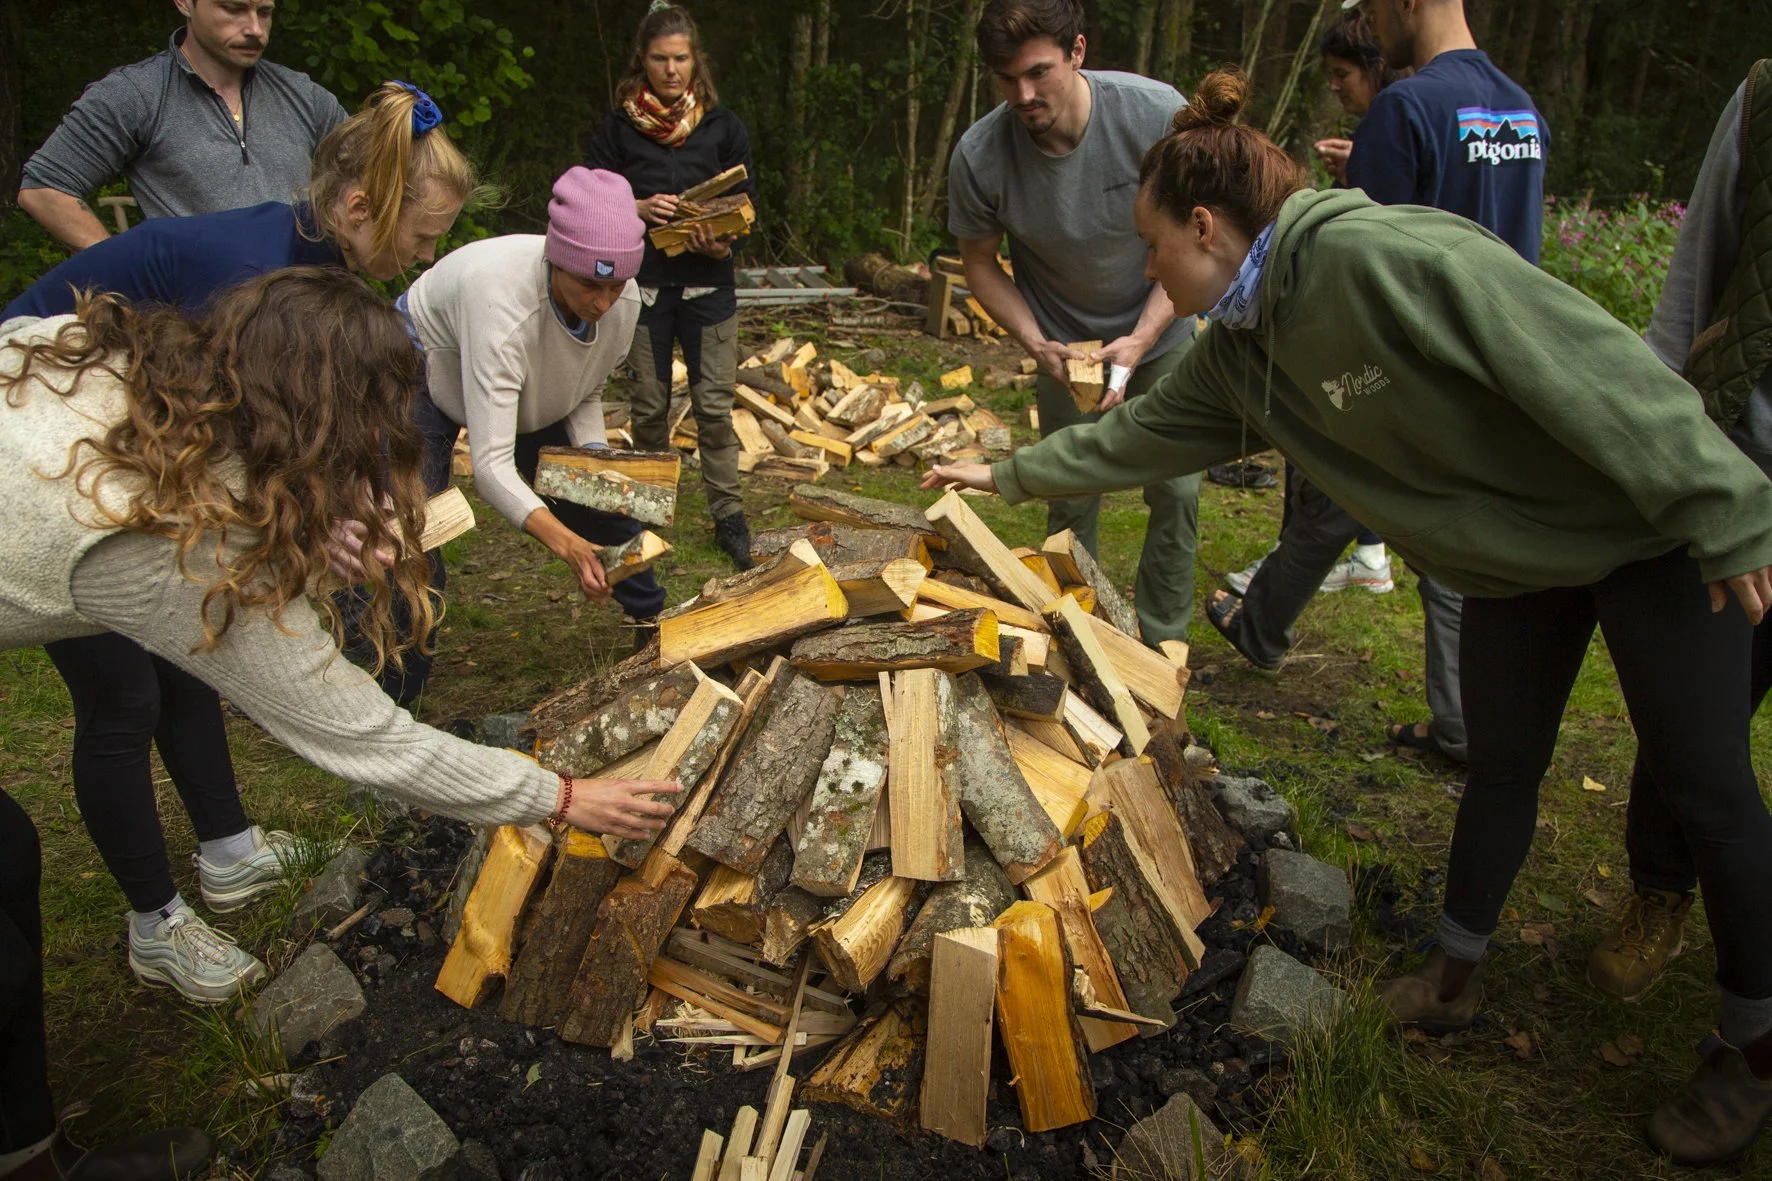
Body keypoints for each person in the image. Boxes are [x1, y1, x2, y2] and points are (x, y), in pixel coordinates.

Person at [925, 67, 1772, 1167]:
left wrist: (1721, 503)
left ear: (1204, 227)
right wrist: (1005, 474)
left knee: (1704, 783)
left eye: (1152, 247)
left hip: (1643, 525)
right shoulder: (1240, 352)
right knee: (1500, 761)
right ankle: (1455, 970)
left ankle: (1753, 1045)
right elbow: (1136, 437)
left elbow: (1592, 363)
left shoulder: (1382, 259)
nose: (1146, 271)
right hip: (1516, 561)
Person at [0, 271, 678, 1177]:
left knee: (9, 855)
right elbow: (366, 738)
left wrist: (310, 533)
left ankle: (25, 1149)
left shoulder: (142, 368)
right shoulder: (168, 538)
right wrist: (558, 796)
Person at [2, 82, 482, 1006]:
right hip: (45, 460)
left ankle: (226, 849)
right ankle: (155, 923)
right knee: (123, 695)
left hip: (130, 451)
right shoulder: (250, 273)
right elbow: (238, 445)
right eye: (424, 236)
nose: (429, 254)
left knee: (193, 640)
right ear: (359, 207)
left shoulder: (316, 259)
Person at [1209, 0, 1547, 764]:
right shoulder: (1522, 111)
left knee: (1331, 479)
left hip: (1406, 369)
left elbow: (1357, 266)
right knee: (1446, 534)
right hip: (1498, 364)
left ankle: (1274, 629)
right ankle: (1457, 719)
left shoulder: (1405, 108)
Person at [1580, 61, 1772, 1046]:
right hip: (1735, 465)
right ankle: (1658, 889)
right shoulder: (1762, 101)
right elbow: (1688, 293)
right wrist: (1656, 454)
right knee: (1692, 722)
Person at [945, 0, 1200, 647]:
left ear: (1077, 51)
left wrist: (1143, 337)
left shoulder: (1154, 115)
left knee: (1176, 489)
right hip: (1065, 347)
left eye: (1039, 73)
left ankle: (1162, 643)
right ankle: (1074, 635)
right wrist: (1036, 342)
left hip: (1162, 329)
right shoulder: (981, 154)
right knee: (1068, 490)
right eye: (1007, 80)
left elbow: (1199, 237)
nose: (1024, 96)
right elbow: (979, 263)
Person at [395, 166, 662, 701]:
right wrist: (570, 547)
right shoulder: (501, 304)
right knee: (414, 524)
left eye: (615, 285)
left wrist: (594, 468)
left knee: (606, 497)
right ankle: (396, 681)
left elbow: (584, 387)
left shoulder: (624, 301)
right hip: (423, 365)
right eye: (590, 284)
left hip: (521, 374)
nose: (603, 302)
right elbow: (492, 467)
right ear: (556, 260)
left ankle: (652, 624)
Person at [1224, 10, 1400, 602]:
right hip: (1376, 327)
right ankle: (1367, 553)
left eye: (1342, 74)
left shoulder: (1395, 115)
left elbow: (1376, 225)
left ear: (1374, 66)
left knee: (1318, 437)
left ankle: (1286, 572)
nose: (1335, 86)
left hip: (1360, 324)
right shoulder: (1393, 122)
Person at [584, 0, 759, 571]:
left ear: (695, 60)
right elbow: (590, 200)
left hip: (710, 290)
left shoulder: (722, 126)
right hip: (643, 289)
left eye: (681, 58)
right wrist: (636, 207)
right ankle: (649, 516)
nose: (671, 70)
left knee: (714, 409)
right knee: (649, 407)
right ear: (644, 59)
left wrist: (723, 242)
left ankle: (729, 518)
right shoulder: (618, 128)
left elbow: (749, 208)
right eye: (660, 58)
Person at [17, 0, 346, 251]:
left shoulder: (302, 94)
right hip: (199, 314)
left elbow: (369, 171)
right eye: (233, 9)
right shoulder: (138, 93)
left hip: (304, 310)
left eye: (264, 12)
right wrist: (124, 271)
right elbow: (44, 190)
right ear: (185, 3)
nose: (255, 29)